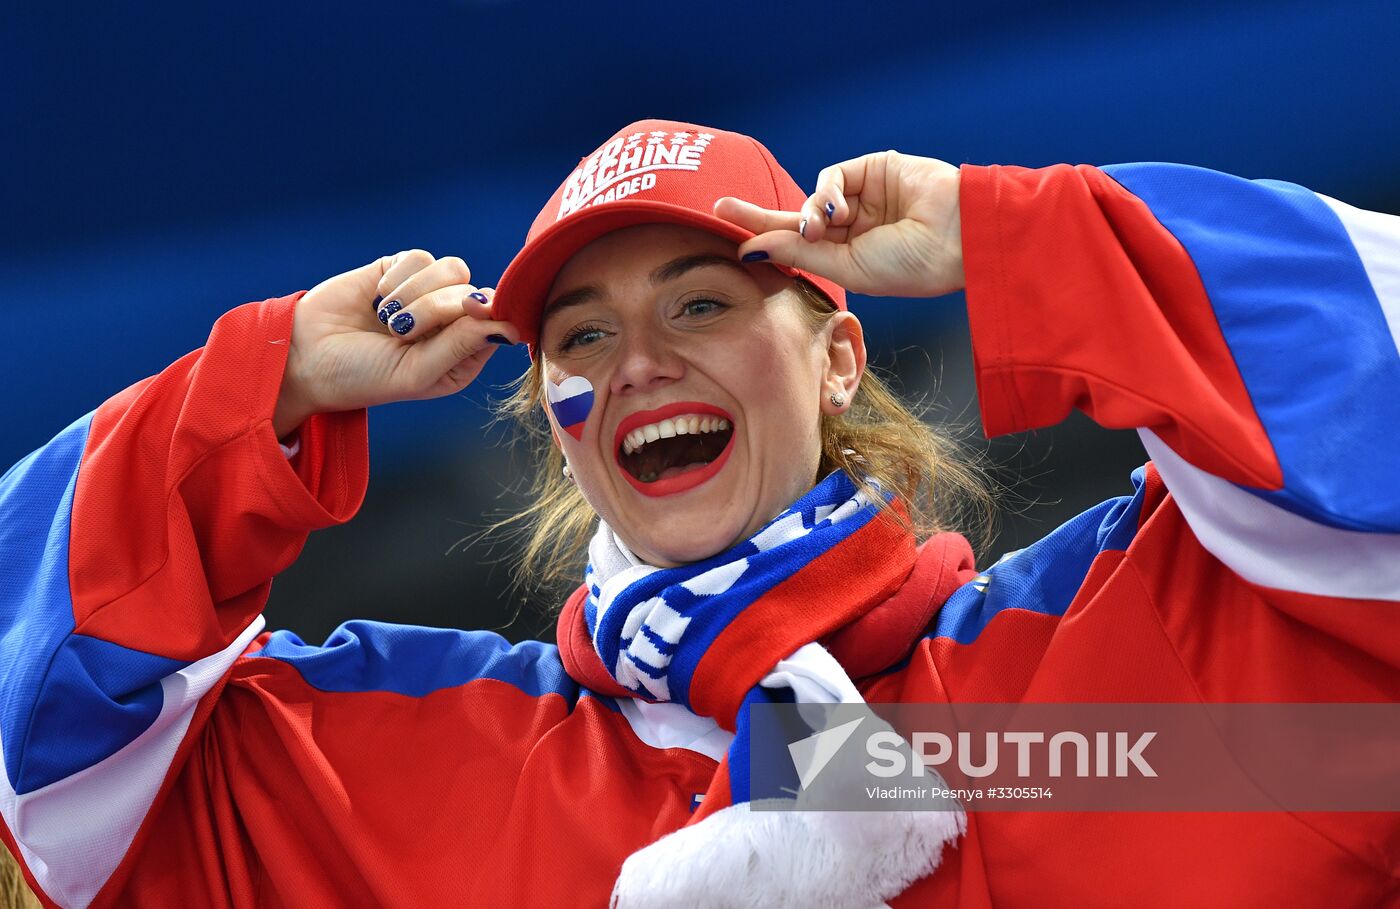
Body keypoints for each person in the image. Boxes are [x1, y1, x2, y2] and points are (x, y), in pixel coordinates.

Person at [0, 117, 1396, 908]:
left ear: (839, 356)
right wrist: (268, 382)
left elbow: (1370, 378)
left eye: (705, 303)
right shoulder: (392, 766)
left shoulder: (1104, 682)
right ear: (554, 427)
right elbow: (42, 730)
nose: (640, 364)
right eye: (581, 339)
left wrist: (1015, 235)